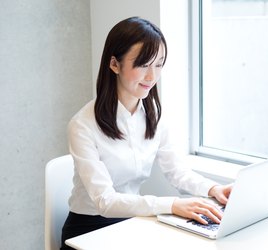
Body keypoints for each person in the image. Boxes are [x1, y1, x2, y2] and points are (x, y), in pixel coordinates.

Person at [60, 16, 232, 249]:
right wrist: (172, 205)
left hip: (131, 223)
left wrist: (214, 189)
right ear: (114, 64)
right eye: (143, 64)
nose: (152, 77)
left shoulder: (154, 115)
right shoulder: (82, 125)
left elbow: (177, 172)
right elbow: (106, 202)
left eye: (159, 64)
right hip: (88, 231)